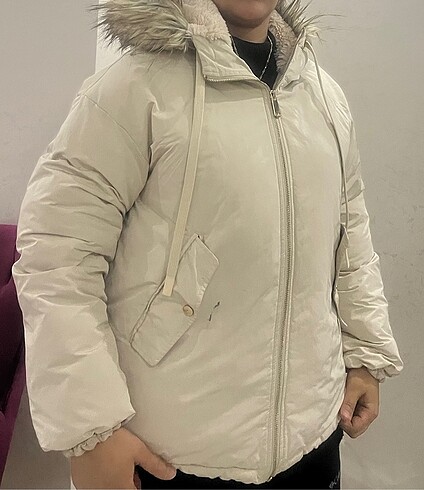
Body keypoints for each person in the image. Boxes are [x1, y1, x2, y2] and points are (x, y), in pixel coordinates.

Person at [12, 0, 404, 489]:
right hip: (172, 458)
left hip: (316, 440)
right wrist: (92, 432)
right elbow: (57, 254)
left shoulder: (323, 96)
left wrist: (365, 355)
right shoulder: (133, 89)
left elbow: (352, 235)